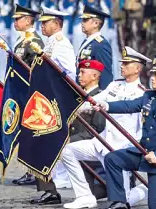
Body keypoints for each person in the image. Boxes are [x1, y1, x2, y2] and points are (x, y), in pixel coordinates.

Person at [61, 46, 150, 209]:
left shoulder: (142, 93)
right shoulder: (114, 85)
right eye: (122, 63)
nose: (122, 66)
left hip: (121, 146)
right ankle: (85, 196)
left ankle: (144, 190)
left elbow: (142, 126)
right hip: (102, 141)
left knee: (125, 200)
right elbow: (94, 101)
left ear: (137, 68)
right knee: (67, 152)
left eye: (126, 64)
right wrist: (71, 109)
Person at [96, 56, 156, 209]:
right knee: (113, 159)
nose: (152, 78)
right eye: (152, 74)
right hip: (143, 152)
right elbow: (129, 105)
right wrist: (106, 105)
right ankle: (119, 202)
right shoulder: (149, 96)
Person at [30, 59, 106, 205]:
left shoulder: (99, 97)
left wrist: (68, 140)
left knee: (93, 192)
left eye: (83, 72)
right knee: (39, 146)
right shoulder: (75, 95)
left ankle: (112, 189)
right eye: (79, 72)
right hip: (71, 140)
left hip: (88, 144)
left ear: (95, 76)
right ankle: (49, 192)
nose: (79, 75)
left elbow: (97, 130)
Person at [28, 6, 76, 205]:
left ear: (56, 24)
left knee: (47, 144)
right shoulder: (49, 43)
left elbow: (69, 73)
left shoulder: (61, 44)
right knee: (38, 142)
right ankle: (48, 188)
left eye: (45, 23)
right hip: (44, 100)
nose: (42, 26)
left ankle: (52, 189)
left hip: (56, 101)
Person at [10, 3, 45, 186]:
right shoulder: (22, 39)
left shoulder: (34, 41)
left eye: (18, 19)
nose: (15, 22)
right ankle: (28, 170)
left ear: (28, 20)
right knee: (24, 133)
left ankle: (33, 171)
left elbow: (36, 70)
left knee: (30, 133)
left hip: (29, 93)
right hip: (19, 93)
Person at [76, 4, 113, 90]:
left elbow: (105, 74)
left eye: (85, 20)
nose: (82, 23)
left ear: (96, 23)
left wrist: (102, 97)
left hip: (94, 94)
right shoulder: (87, 42)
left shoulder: (101, 44)